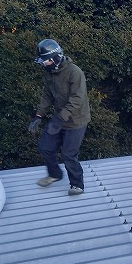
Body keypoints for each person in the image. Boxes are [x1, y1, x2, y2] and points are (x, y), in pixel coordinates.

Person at [28, 39, 91, 195]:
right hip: (60, 118)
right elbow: (47, 95)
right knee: (45, 146)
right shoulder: (50, 73)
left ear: (55, 58)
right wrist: (38, 115)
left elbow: (77, 99)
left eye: (46, 61)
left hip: (76, 121)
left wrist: (59, 119)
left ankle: (77, 184)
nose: (44, 64)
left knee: (68, 154)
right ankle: (55, 174)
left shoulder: (75, 72)